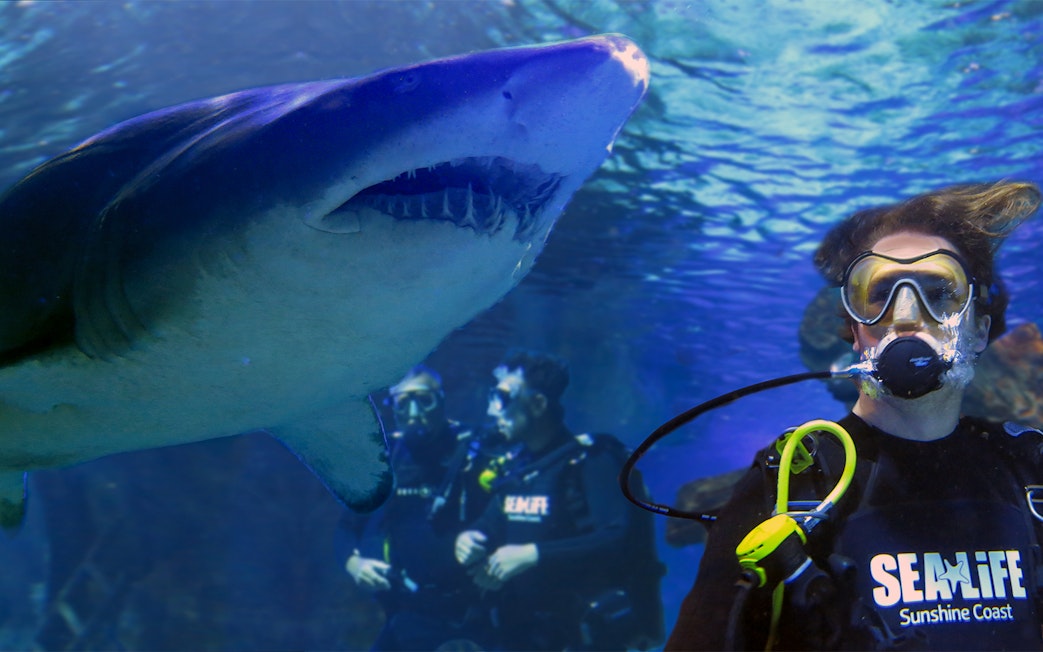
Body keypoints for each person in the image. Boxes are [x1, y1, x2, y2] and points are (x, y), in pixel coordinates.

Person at [667, 181, 1043, 651]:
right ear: (853, 330)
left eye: (939, 292)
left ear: (980, 330)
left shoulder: (1029, 470)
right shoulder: (792, 482)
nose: (906, 315)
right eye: (880, 293)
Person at [455, 349, 664, 651]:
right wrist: (469, 538)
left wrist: (532, 554)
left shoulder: (592, 460)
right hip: (526, 633)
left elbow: (617, 537)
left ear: (538, 404)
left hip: (585, 636)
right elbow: (491, 522)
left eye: (502, 397)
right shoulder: (518, 469)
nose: (492, 411)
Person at [337, 366, 496, 651]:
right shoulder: (386, 460)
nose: (414, 412)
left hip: (472, 607)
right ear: (392, 407)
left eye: (424, 400)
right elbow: (346, 526)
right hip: (408, 607)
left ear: (442, 400)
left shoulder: (475, 450)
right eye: (403, 402)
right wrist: (354, 564)